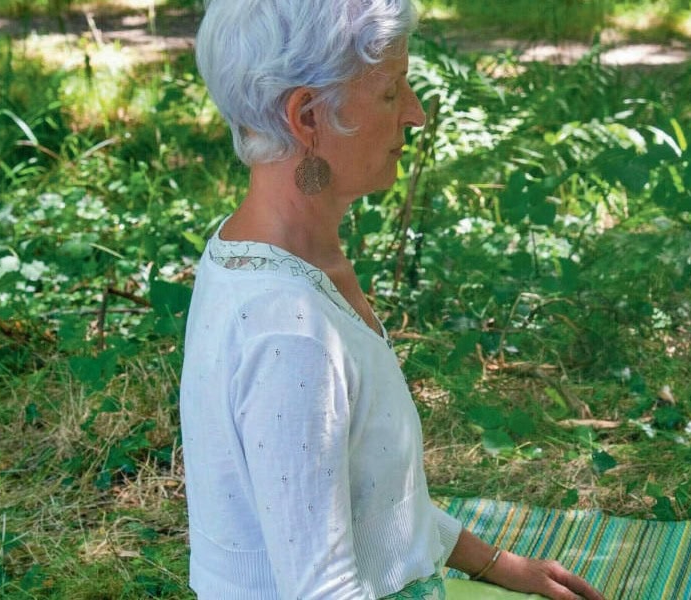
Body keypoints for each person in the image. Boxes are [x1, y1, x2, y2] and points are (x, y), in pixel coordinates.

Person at [179, 1, 607, 598]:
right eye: (390, 91)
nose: (416, 113)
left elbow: (368, 503)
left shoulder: (256, 252)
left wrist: (495, 564)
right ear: (307, 116)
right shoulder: (290, 333)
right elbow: (322, 590)